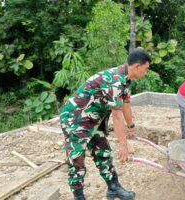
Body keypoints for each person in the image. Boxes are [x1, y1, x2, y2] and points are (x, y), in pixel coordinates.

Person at [60, 48, 151, 200]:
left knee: (103, 152)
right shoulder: (114, 81)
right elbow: (116, 114)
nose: (146, 72)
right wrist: (123, 145)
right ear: (137, 66)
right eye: (146, 69)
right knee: (77, 160)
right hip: (75, 119)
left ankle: (114, 188)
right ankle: (79, 196)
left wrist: (131, 127)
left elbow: (126, 104)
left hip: (94, 119)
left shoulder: (126, 80)